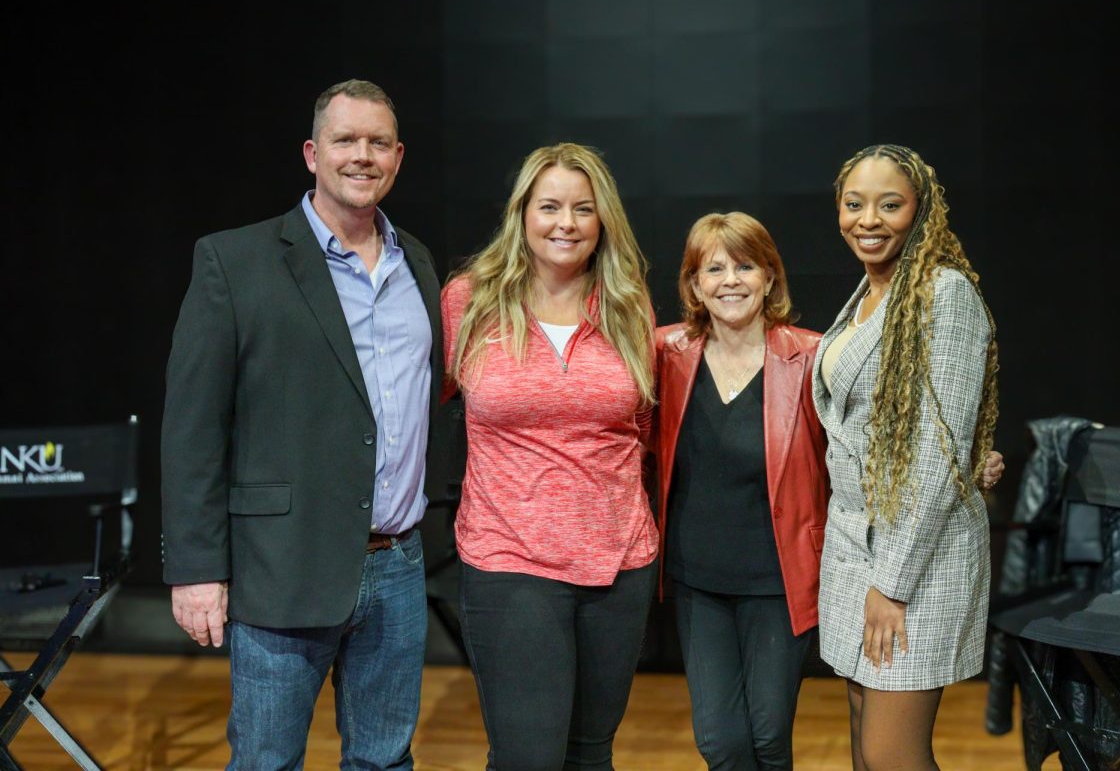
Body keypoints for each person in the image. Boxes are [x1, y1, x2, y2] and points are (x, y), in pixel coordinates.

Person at [161, 79, 441, 770]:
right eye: (346, 140)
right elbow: (192, 428)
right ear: (312, 153)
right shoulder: (235, 261)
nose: (362, 155)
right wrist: (197, 570)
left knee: (384, 761)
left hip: (398, 564)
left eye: (378, 142)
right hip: (281, 568)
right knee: (266, 762)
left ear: (398, 157)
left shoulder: (420, 266)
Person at [441, 143, 657, 771]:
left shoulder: (627, 304)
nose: (566, 222)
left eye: (583, 209)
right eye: (550, 206)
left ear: (602, 221)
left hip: (619, 562)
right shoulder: (470, 300)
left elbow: (639, 422)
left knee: (591, 754)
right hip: (510, 560)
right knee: (527, 757)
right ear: (522, 215)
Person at [813, 144, 1000, 770]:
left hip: (913, 563)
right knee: (866, 744)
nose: (870, 219)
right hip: (850, 551)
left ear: (919, 210)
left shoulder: (943, 295)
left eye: (890, 204)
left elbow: (937, 456)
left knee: (892, 755)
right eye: (854, 203)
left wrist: (891, 586)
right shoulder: (863, 300)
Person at [654, 212, 828, 770]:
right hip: (696, 580)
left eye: (746, 266)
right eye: (715, 268)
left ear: (770, 278)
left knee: (769, 737)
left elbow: (868, 447)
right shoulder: (664, 353)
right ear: (694, 284)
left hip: (778, 581)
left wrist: (972, 461)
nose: (731, 280)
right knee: (720, 743)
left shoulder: (811, 357)